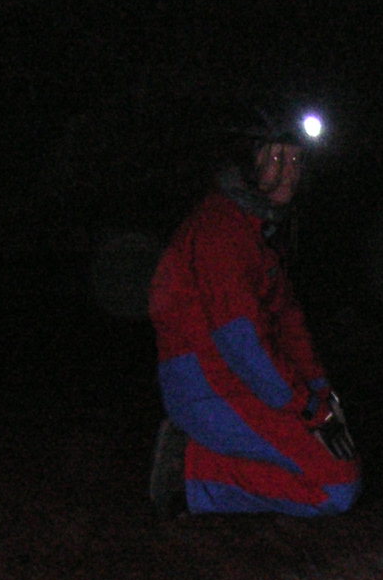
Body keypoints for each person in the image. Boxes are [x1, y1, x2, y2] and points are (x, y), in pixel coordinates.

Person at [148, 108, 357, 518]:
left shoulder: (259, 229)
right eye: (277, 158)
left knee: (336, 464)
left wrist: (322, 395)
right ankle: (189, 472)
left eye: (296, 159)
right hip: (210, 384)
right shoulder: (221, 229)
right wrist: (308, 409)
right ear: (248, 161)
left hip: (241, 380)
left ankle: (207, 462)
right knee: (335, 487)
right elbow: (241, 341)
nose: (290, 172)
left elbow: (288, 323)